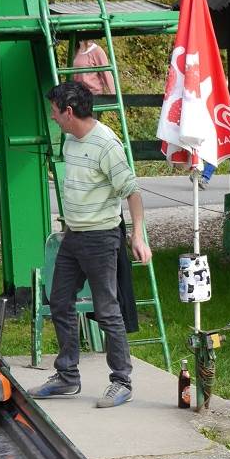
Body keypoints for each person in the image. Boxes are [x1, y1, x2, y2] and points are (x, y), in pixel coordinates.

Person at [31, 81, 151, 408]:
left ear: (69, 112)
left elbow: (132, 192)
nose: (52, 116)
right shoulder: (70, 139)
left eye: (55, 111)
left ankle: (121, 381)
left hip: (101, 238)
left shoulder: (107, 144)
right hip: (73, 236)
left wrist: (137, 235)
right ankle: (67, 376)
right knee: (59, 301)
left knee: (107, 309)